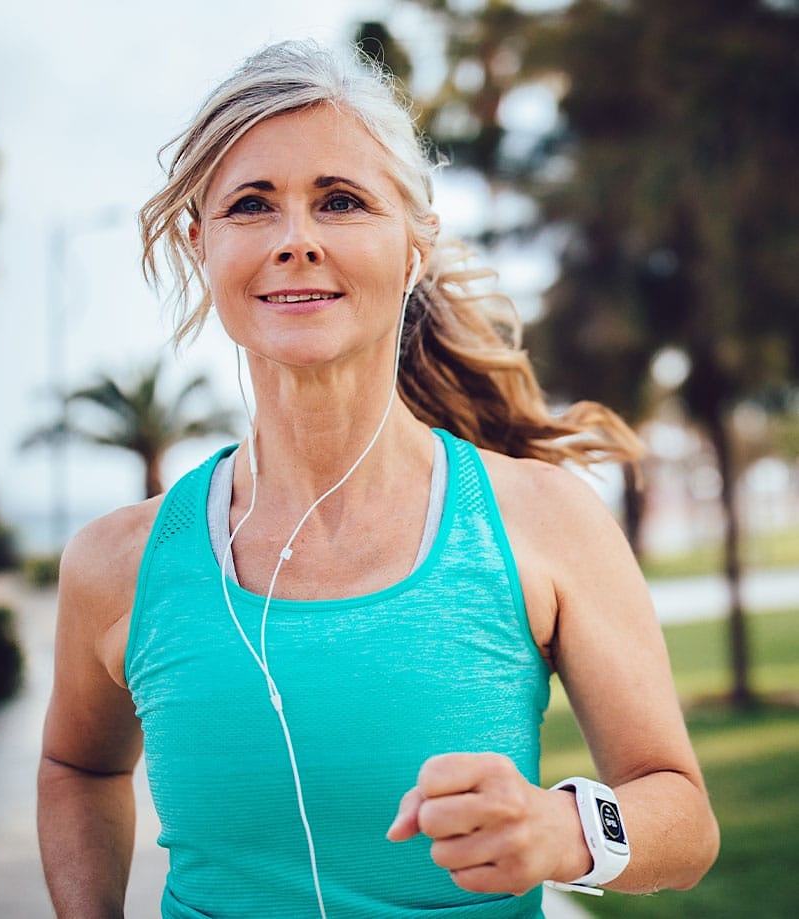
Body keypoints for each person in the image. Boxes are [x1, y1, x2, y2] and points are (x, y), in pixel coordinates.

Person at [37, 39, 719, 919]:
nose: (295, 241)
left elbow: (684, 818)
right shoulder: (114, 565)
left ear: (413, 247)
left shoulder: (540, 522)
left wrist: (563, 830)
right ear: (200, 246)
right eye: (252, 205)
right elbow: (76, 766)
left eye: (341, 200)